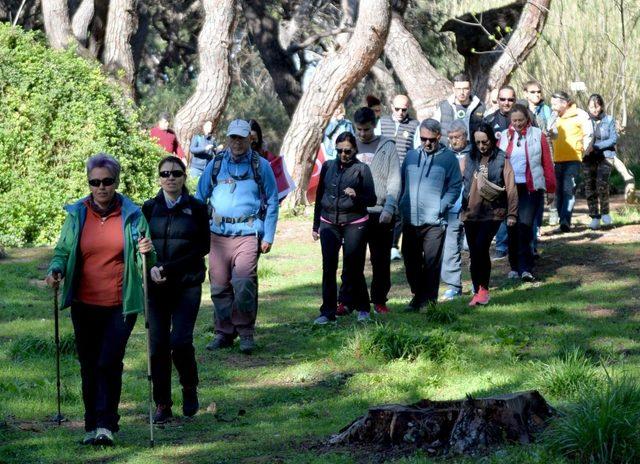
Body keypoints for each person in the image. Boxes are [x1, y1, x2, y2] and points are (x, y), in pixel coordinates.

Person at [45, 153, 155, 446]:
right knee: (89, 364)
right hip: (84, 304)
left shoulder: (132, 214)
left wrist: (146, 250)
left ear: (116, 182)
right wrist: (56, 270)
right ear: (89, 184)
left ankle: (106, 424)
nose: (101, 187)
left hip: (121, 304)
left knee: (108, 361)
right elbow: (63, 251)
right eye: (95, 182)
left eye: (107, 181)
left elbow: (148, 255)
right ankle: (91, 424)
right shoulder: (77, 213)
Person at [196, 119, 279, 354]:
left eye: (241, 138)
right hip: (217, 235)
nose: (237, 142)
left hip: (247, 234)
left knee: (243, 283)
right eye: (233, 137)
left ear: (249, 139)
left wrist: (268, 235)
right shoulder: (216, 164)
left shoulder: (260, 165)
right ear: (228, 138)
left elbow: (272, 201)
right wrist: (200, 231)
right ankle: (223, 333)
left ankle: (245, 333)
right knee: (219, 286)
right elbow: (200, 197)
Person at [142, 156, 210, 424]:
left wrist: (168, 268)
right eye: (165, 173)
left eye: (176, 173)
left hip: (187, 285)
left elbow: (202, 248)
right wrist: (151, 268)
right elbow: (141, 247)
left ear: (184, 176)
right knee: (158, 345)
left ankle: (189, 386)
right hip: (156, 288)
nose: (170, 178)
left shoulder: (197, 208)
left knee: (180, 341)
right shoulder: (147, 209)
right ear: (159, 178)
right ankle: (162, 403)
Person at [337, 107, 400, 315]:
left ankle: (380, 300)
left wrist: (389, 207)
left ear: (375, 125)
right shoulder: (349, 147)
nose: (362, 134)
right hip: (354, 212)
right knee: (351, 259)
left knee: (380, 260)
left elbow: (394, 180)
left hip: (380, 211)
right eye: (359, 130)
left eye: (366, 129)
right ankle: (347, 300)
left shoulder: (387, 146)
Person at [312, 132, 377, 324]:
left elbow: (372, 200)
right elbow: (319, 197)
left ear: (354, 150)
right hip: (329, 222)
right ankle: (327, 313)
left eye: (347, 151)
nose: (343, 154)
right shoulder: (327, 166)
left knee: (354, 267)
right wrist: (316, 225)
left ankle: (363, 308)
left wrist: (356, 195)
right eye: (339, 150)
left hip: (354, 222)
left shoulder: (362, 169)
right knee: (328, 267)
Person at [399, 119, 462, 311]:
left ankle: (428, 301)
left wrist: (441, 206)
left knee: (431, 263)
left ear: (438, 137)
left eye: (431, 139)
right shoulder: (410, 156)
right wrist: (401, 204)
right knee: (410, 263)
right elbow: (401, 182)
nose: (427, 143)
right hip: (410, 218)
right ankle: (419, 296)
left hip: (434, 221)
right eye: (423, 139)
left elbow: (455, 186)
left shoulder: (448, 158)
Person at [461, 124, 518, 306]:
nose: (481, 146)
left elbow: (511, 186)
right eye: (477, 142)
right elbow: (462, 182)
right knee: (473, 252)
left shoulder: (501, 158)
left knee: (481, 247)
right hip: (471, 212)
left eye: (484, 142)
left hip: (493, 212)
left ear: (492, 139)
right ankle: (477, 290)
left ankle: (483, 290)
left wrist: (512, 214)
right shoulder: (469, 158)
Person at [497, 104, 556, 282]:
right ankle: (514, 266)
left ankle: (526, 268)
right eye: (514, 121)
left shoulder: (538, 135)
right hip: (510, 189)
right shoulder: (504, 137)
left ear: (527, 119)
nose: (517, 124)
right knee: (512, 227)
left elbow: (547, 163)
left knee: (525, 226)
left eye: (520, 120)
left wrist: (551, 189)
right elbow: (499, 162)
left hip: (531, 188)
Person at [379, 95, 420, 261]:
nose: (401, 112)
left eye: (404, 109)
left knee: (399, 211)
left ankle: (393, 246)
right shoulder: (381, 123)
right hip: (383, 173)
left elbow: (416, 149)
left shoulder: (414, 125)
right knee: (383, 208)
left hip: (403, 175)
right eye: (397, 109)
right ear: (391, 106)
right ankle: (383, 244)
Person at [549, 91, 594, 232]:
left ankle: (565, 222)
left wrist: (583, 151)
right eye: (551, 104)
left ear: (565, 102)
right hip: (556, 160)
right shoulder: (553, 116)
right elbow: (549, 135)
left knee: (568, 190)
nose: (552, 107)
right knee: (558, 192)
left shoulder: (580, 114)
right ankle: (561, 221)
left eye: (555, 104)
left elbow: (589, 134)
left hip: (573, 159)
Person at [485, 85, 518, 260]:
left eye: (510, 99)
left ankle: (525, 245)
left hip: (520, 172)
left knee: (519, 208)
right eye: (503, 99)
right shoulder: (489, 120)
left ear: (515, 100)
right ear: (497, 100)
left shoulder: (524, 118)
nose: (506, 102)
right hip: (497, 171)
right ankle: (501, 245)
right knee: (500, 209)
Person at [440, 120, 471, 300]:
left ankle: (478, 283)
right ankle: (453, 286)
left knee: (473, 247)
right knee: (450, 249)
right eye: (450, 137)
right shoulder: (444, 155)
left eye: (457, 137)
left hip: (472, 208)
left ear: (465, 136)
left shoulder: (474, 152)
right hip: (451, 209)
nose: (454, 141)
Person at [584, 94, 617, 230]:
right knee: (589, 186)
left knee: (601, 184)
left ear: (602, 106)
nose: (594, 109)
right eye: (592, 106)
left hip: (605, 156)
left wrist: (597, 146)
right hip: (588, 158)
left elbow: (613, 139)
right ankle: (594, 217)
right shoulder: (584, 120)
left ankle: (605, 213)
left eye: (597, 106)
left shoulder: (609, 120)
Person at [432, 72, 485, 145]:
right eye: (458, 89)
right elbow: (433, 131)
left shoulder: (480, 107)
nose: (462, 92)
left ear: (470, 89)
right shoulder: (443, 107)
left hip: (472, 153)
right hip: (448, 152)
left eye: (465, 89)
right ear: (453, 89)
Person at [249, 119, 295, 203]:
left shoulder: (268, 158)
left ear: (259, 138)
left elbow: (279, 189)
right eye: (248, 138)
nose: (251, 142)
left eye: (253, 138)